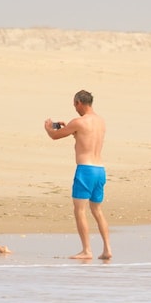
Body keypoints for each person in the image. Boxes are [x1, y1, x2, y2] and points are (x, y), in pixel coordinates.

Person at [45, 90, 112, 260]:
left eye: (75, 105)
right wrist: (71, 129)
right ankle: (107, 249)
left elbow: (55, 136)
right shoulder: (101, 122)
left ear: (79, 103)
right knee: (97, 210)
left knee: (80, 211)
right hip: (100, 169)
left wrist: (48, 127)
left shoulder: (79, 122)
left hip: (85, 170)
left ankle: (87, 250)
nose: (75, 108)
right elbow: (84, 138)